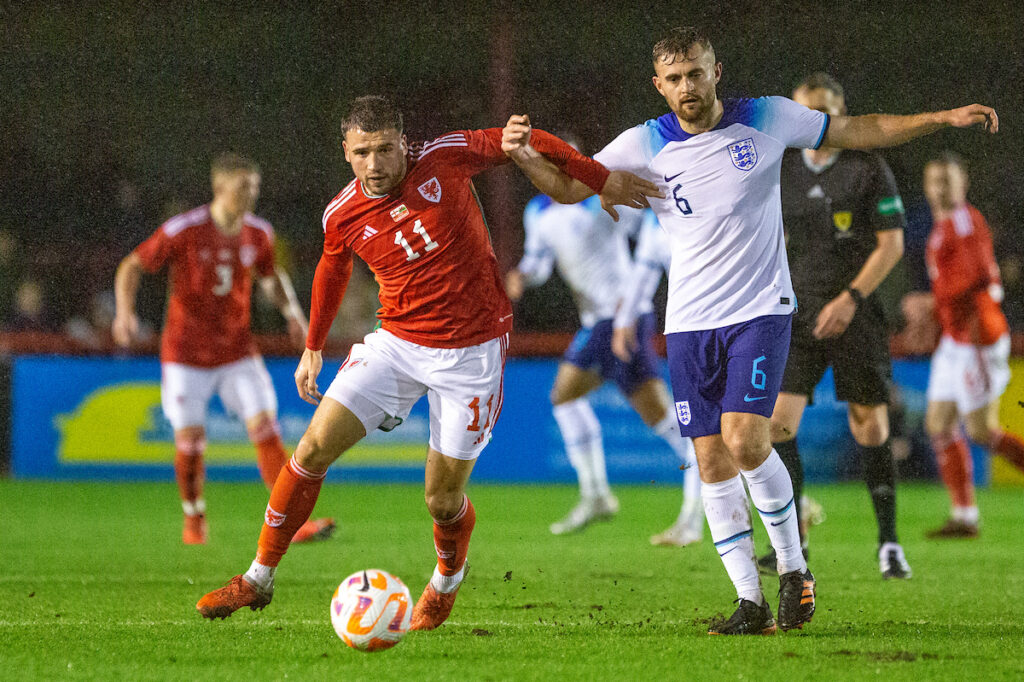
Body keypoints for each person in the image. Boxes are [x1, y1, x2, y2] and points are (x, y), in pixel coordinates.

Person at [501, 26, 997, 635]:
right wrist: (525, 157)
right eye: (675, 79)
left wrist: (941, 117)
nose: (688, 87)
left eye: (697, 73)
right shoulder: (642, 142)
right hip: (687, 323)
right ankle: (749, 602)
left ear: (717, 71)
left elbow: (860, 129)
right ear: (659, 86)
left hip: (760, 311)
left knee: (745, 440)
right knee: (709, 461)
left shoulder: (766, 118)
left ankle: (794, 571)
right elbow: (569, 186)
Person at [195, 96, 656, 625]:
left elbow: (521, 138)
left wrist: (599, 177)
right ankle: (258, 578)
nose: (376, 163)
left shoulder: (443, 157)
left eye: (386, 149)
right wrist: (313, 346)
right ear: (346, 152)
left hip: (471, 352)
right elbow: (331, 269)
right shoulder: (342, 213)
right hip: (395, 343)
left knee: (440, 499)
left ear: (404, 143)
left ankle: (445, 580)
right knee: (313, 446)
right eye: (363, 152)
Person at [112, 153, 334, 546]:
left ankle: (292, 523)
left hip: (237, 352)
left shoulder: (259, 233)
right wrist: (124, 313)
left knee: (267, 431)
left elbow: (271, 276)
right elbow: (132, 265)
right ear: (219, 188)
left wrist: (293, 314)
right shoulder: (184, 229)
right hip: (185, 355)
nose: (251, 195)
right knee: (191, 443)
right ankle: (194, 518)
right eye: (242, 187)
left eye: (255, 187)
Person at [757, 73, 911, 580]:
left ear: (841, 114)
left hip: (856, 313)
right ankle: (794, 540)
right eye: (808, 113)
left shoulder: (868, 167)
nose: (817, 122)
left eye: (826, 112)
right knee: (777, 424)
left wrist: (850, 298)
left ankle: (888, 544)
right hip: (796, 316)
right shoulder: (779, 170)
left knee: (868, 422)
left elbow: (891, 244)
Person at [507, 189, 702, 544]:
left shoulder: (598, 201)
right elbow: (538, 262)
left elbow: (643, 225)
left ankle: (601, 495)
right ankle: (721, 468)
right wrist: (522, 274)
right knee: (662, 419)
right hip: (602, 319)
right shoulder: (537, 210)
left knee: (567, 396)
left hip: (620, 317)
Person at [908, 153, 1024, 537]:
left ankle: (965, 514)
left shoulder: (962, 221)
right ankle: (964, 516)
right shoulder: (942, 225)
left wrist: (932, 302)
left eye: (948, 180)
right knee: (938, 424)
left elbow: (977, 277)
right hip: (955, 340)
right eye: (934, 180)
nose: (940, 188)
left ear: (963, 184)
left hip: (978, 338)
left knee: (981, 432)